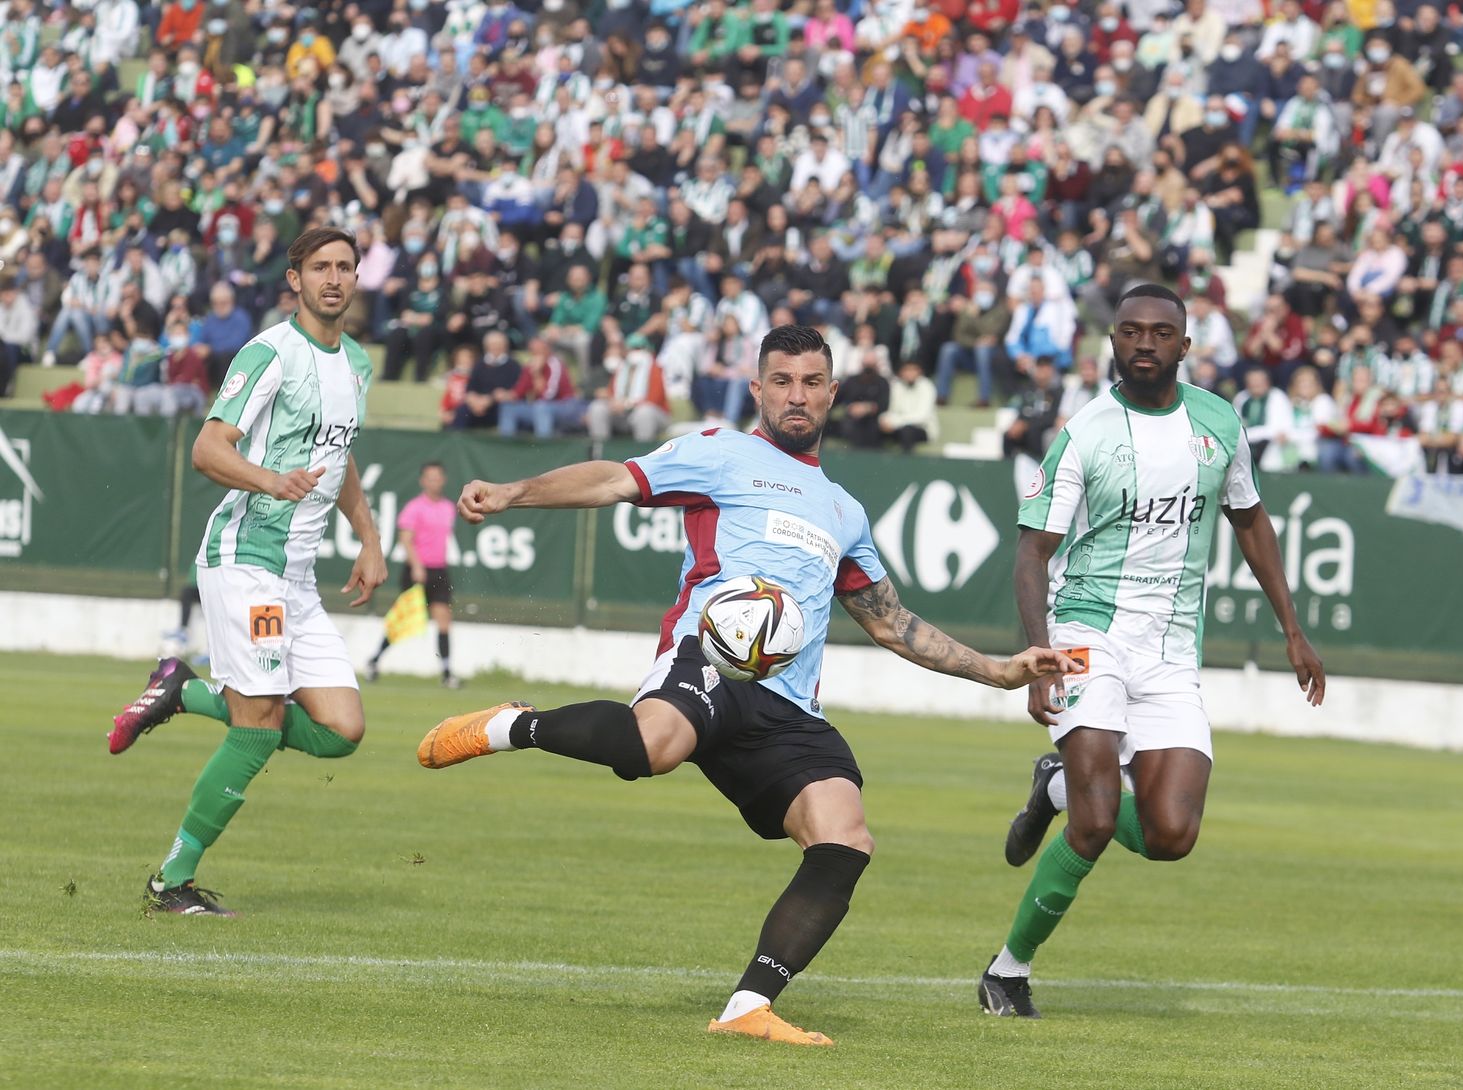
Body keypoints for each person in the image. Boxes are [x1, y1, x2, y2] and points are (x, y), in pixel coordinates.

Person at [415, 324, 1069, 1046]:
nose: (797, 395)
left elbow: (891, 623)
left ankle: (747, 1008)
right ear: (757, 388)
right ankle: (517, 725)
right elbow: (612, 479)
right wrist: (513, 492)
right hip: (712, 657)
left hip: (787, 704)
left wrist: (1001, 670)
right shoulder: (719, 451)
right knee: (652, 749)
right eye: (781, 381)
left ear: (832, 394)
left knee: (845, 837)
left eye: (812, 382)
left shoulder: (845, 510)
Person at [976, 285, 1326, 1019]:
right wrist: (1041, 653)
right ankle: (1008, 971)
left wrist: (1292, 627)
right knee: (1099, 826)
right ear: (1113, 343)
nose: (1144, 343)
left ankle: (1057, 787)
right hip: (1082, 636)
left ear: (1185, 345)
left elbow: (1252, 523)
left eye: (1160, 333)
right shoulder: (1088, 432)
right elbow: (1033, 553)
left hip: (1170, 651)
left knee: (1171, 834)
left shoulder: (1219, 424)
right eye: (1130, 331)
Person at [105, 227, 387, 916]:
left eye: (346, 267)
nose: (334, 278)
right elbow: (208, 448)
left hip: (296, 577)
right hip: (246, 562)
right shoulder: (270, 353)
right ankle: (170, 882)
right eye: (320, 266)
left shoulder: (356, 361)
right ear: (295, 278)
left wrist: (370, 538)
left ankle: (184, 690)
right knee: (258, 726)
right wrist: (270, 480)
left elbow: (339, 456)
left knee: (341, 729)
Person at [369, 462, 460, 688]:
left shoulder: (449, 507)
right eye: (430, 477)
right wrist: (417, 565)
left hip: (439, 570)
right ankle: (374, 660)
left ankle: (447, 672)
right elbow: (406, 540)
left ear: (443, 480)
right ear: (422, 481)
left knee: (443, 620)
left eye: (438, 477)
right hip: (417, 570)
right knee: (404, 620)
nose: (434, 481)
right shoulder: (414, 507)